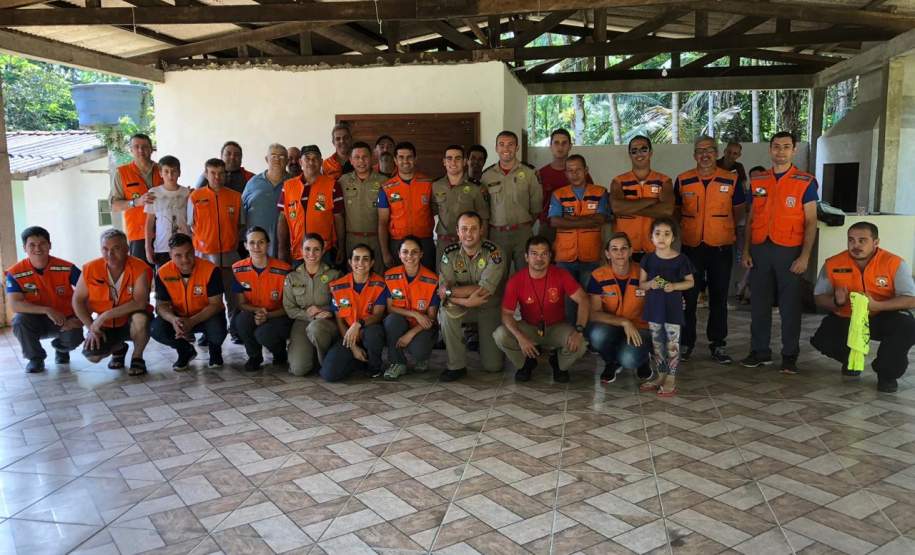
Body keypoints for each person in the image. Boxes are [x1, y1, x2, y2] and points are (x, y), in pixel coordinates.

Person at [740, 133, 819, 374]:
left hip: (789, 250)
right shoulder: (759, 180)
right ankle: (760, 351)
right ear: (770, 150)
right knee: (759, 304)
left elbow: (811, 222)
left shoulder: (805, 181)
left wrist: (805, 257)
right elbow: (752, 218)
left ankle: (789, 355)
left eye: (786, 147)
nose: (781, 151)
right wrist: (745, 251)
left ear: (794, 150)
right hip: (760, 248)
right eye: (776, 147)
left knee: (790, 306)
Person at [810, 222, 915, 392]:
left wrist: (878, 304)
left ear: (876, 242)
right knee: (823, 339)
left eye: (862, 240)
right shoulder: (833, 263)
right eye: (851, 240)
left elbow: (911, 299)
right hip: (849, 318)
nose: (855, 245)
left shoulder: (894, 263)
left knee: (907, 326)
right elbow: (819, 298)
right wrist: (837, 302)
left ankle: (886, 374)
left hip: (881, 316)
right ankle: (853, 360)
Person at [675, 135, 744, 364]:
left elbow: (739, 212)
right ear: (694, 155)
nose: (705, 154)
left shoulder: (731, 180)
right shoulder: (683, 180)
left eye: (710, 150)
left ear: (717, 153)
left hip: (720, 247)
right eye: (700, 150)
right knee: (688, 297)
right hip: (691, 246)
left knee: (719, 297)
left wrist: (722, 229)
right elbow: (676, 211)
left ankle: (718, 343)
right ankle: (686, 342)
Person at [494, 236, 589, 383]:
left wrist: (579, 330)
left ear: (550, 256)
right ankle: (526, 363)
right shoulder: (516, 280)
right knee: (500, 335)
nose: (539, 258)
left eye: (544, 254)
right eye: (534, 254)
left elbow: (583, 299)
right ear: (526, 257)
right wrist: (521, 338)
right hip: (530, 327)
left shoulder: (561, 274)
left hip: (557, 326)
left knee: (581, 344)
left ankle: (558, 363)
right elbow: (506, 314)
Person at [73, 229, 152, 376]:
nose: (110, 254)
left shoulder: (140, 267)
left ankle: (137, 358)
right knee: (93, 356)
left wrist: (103, 316)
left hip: (130, 321)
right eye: (105, 249)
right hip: (106, 325)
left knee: (140, 318)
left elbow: (140, 302)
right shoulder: (90, 269)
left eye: (116, 248)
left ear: (127, 248)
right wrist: (91, 327)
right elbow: (77, 300)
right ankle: (118, 348)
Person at [438, 211, 506, 381]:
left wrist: (450, 292)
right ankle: (456, 365)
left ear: (481, 230)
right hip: (460, 304)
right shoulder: (449, 253)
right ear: (458, 231)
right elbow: (443, 290)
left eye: (473, 229)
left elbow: (483, 290)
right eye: (464, 229)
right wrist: (464, 301)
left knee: (493, 367)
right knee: (446, 312)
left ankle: (483, 343)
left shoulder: (494, 253)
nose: (469, 233)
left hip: (487, 306)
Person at [6, 226, 83, 373]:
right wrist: (47, 310)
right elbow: (15, 304)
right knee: (19, 321)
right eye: (32, 245)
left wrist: (79, 318)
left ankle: (61, 349)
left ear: (50, 245)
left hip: (64, 319)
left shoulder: (67, 268)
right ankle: (35, 359)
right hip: (35, 321)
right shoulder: (15, 273)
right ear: (24, 248)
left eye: (42, 243)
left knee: (75, 335)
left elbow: (89, 292)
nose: (38, 248)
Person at [188, 158, 245, 344]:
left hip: (229, 255)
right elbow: (190, 226)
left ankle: (235, 330)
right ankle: (207, 332)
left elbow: (240, 225)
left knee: (233, 296)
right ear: (206, 174)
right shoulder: (195, 197)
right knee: (207, 298)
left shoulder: (236, 197)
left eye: (221, 173)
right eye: (213, 173)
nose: (217, 177)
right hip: (204, 257)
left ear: (225, 174)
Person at [151, 233, 227, 370]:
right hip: (179, 317)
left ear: (194, 250)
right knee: (155, 328)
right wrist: (174, 320)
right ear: (170, 255)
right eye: (178, 255)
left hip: (206, 316)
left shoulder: (211, 270)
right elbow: (161, 306)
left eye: (188, 253)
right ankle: (184, 350)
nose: (185, 260)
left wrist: (191, 321)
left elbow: (215, 304)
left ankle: (215, 351)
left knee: (218, 329)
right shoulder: (162, 273)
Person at [549, 154, 610, 322]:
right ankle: (569, 337)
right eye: (570, 171)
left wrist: (569, 220)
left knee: (591, 297)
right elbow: (555, 221)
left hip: (591, 256)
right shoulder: (558, 194)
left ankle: (587, 336)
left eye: (578, 170)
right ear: (566, 174)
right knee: (568, 299)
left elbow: (601, 219)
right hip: (564, 257)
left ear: (586, 171)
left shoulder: (600, 192)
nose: (574, 174)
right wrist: (587, 219)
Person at [638, 218, 695, 397]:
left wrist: (675, 286)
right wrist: (651, 284)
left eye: (666, 234)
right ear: (651, 237)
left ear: (673, 238)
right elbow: (641, 284)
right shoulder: (647, 259)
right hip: (654, 307)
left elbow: (690, 283)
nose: (662, 238)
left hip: (673, 307)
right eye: (657, 234)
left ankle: (671, 377)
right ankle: (660, 374)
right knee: (657, 343)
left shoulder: (681, 259)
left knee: (672, 343)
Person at [586, 233, 652, 384]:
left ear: (630, 251)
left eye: (624, 248)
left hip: (640, 327)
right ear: (607, 254)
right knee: (596, 335)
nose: (620, 253)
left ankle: (643, 359)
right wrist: (624, 322)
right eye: (614, 249)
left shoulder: (644, 272)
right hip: (613, 325)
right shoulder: (598, 275)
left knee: (629, 359)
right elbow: (594, 314)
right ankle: (611, 362)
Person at [322, 244, 388, 382]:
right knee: (329, 374)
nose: (360, 263)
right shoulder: (338, 286)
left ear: (372, 263)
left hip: (368, 331)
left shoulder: (380, 284)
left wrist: (358, 324)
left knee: (374, 333)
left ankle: (374, 367)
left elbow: (377, 315)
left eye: (365, 259)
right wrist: (353, 348)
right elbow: (339, 320)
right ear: (350, 262)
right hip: (348, 336)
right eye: (356, 259)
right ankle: (357, 360)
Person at [231, 227, 292, 371]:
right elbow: (241, 304)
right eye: (252, 243)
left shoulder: (284, 270)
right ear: (245, 245)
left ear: (268, 244)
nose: (256, 247)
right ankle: (254, 356)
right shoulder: (238, 269)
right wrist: (258, 311)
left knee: (263, 333)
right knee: (241, 320)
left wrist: (267, 315)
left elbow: (289, 307)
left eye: (261, 242)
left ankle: (279, 352)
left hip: (279, 315)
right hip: (254, 312)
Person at [480, 130, 543, 272]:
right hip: (497, 235)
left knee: (527, 275)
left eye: (510, 144)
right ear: (496, 148)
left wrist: (524, 225)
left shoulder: (529, 173)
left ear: (517, 147)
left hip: (523, 233)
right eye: (501, 145)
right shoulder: (487, 176)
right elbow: (484, 208)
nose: (506, 149)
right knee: (497, 277)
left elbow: (536, 207)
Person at [283, 234, 341, 377]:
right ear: (301, 251)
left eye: (316, 249)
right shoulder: (292, 277)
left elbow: (342, 303)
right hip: (302, 321)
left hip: (327, 322)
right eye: (307, 249)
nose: (311, 254)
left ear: (323, 251)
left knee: (316, 328)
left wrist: (327, 311)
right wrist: (309, 315)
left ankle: (325, 363)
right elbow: (290, 308)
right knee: (299, 369)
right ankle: (309, 354)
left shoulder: (334, 274)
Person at [276, 145, 345, 266]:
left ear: (321, 162)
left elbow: (338, 218)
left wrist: (342, 247)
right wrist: (282, 248)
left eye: (315, 158)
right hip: (298, 251)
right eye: (307, 158)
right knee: (298, 284)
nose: (311, 162)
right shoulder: (288, 186)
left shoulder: (332, 185)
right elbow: (283, 218)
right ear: (300, 161)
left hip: (324, 252)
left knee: (324, 284)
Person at [383, 236, 439, 380]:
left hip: (422, 327)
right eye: (405, 252)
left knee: (419, 350)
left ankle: (422, 358)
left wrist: (411, 333)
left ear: (421, 254)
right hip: (401, 322)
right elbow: (391, 308)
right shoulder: (390, 276)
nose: (409, 256)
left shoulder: (432, 279)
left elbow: (431, 318)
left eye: (414, 252)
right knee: (391, 320)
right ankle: (397, 363)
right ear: (399, 254)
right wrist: (415, 314)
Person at [610, 136, 674, 259]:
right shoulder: (618, 181)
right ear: (630, 155)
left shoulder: (664, 181)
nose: (639, 154)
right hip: (626, 250)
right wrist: (652, 201)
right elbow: (616, 208)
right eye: (634, 151)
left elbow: (667, 211)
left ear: (650, 152)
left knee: (657, 279)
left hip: (656, 249)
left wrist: (628, 207)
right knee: (629, 279)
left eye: (643, 149)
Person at [377, 141, 436, 270]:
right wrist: (385, 252)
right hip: (398, 243)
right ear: (395, 160)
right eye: (401, 157)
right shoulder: (386, 188)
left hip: (424, 242)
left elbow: (438, 212)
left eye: (409, 157)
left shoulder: (428, 184)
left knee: (427, 282)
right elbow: (382, 222)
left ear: (415, 159)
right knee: (398, 284)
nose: (405, 161)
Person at [431, 144, 490, 266]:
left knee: (469, 279)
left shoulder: (476, 188)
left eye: (458, 158)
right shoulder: (435, 186)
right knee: (443, 279)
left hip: (468, 242)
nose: (453, 162)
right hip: (444, 242)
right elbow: (432, 211)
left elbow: (483, 218)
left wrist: (481, 244)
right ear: (444, 162)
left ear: (464, 162)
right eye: (449, 158)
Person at [110, 133, 161, 266]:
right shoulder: (122, 173)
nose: (141, 150)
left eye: (145, 147)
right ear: (131, 150)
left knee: (166, 277)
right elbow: (114, 205)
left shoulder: (162, 170)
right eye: (136, 147)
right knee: (142, 277)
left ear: (151, 149)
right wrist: (135, 202)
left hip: (164, 232)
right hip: (138, 235)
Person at [537, 129, 594, 242]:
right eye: (556, 143)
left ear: (570, 146)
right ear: (550, 146)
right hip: (549, 228)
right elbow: (536, 203)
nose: (560, 147)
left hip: (577, 225)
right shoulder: (541, 174)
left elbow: (592, 199)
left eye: (564, 143)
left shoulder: (582, 174)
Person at [339, 142, 386, 274]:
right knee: (354, 278)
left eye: (365, 157)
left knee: (377, 278)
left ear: (372, 158)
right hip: (352, 240)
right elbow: (339, 215)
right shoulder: (343, 181)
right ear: (351, 160)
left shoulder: (384, 182)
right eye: (357, 157)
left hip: (377, 240)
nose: (361, 161)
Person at [241, 144, 290, 257]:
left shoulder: (294, 183)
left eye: (282, 156)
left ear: (287, 160)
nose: (277, 159)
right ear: (266, 159)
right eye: (273, 156)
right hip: (256, 248)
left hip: (285, 248)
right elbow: (241, 212)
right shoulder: (253, 182)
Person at [144, 155, 191, 268]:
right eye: (166, 171)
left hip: (184, 247)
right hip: (162, 247)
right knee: (164, 280)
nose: (170, 175)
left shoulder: (187, 193)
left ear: (179, 172)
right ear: (160, 173)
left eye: (174, 171)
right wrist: (148, 247)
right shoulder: (154, 193)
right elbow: (149, 222)